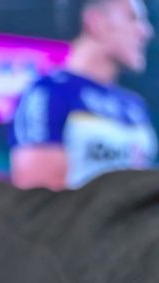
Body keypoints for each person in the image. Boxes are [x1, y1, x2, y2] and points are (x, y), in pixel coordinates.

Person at [10, 0, 157, 189]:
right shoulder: (47, 94)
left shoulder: (135, 105)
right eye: (133, 18)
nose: (145, 32)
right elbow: (38, 203)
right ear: (97, 22)